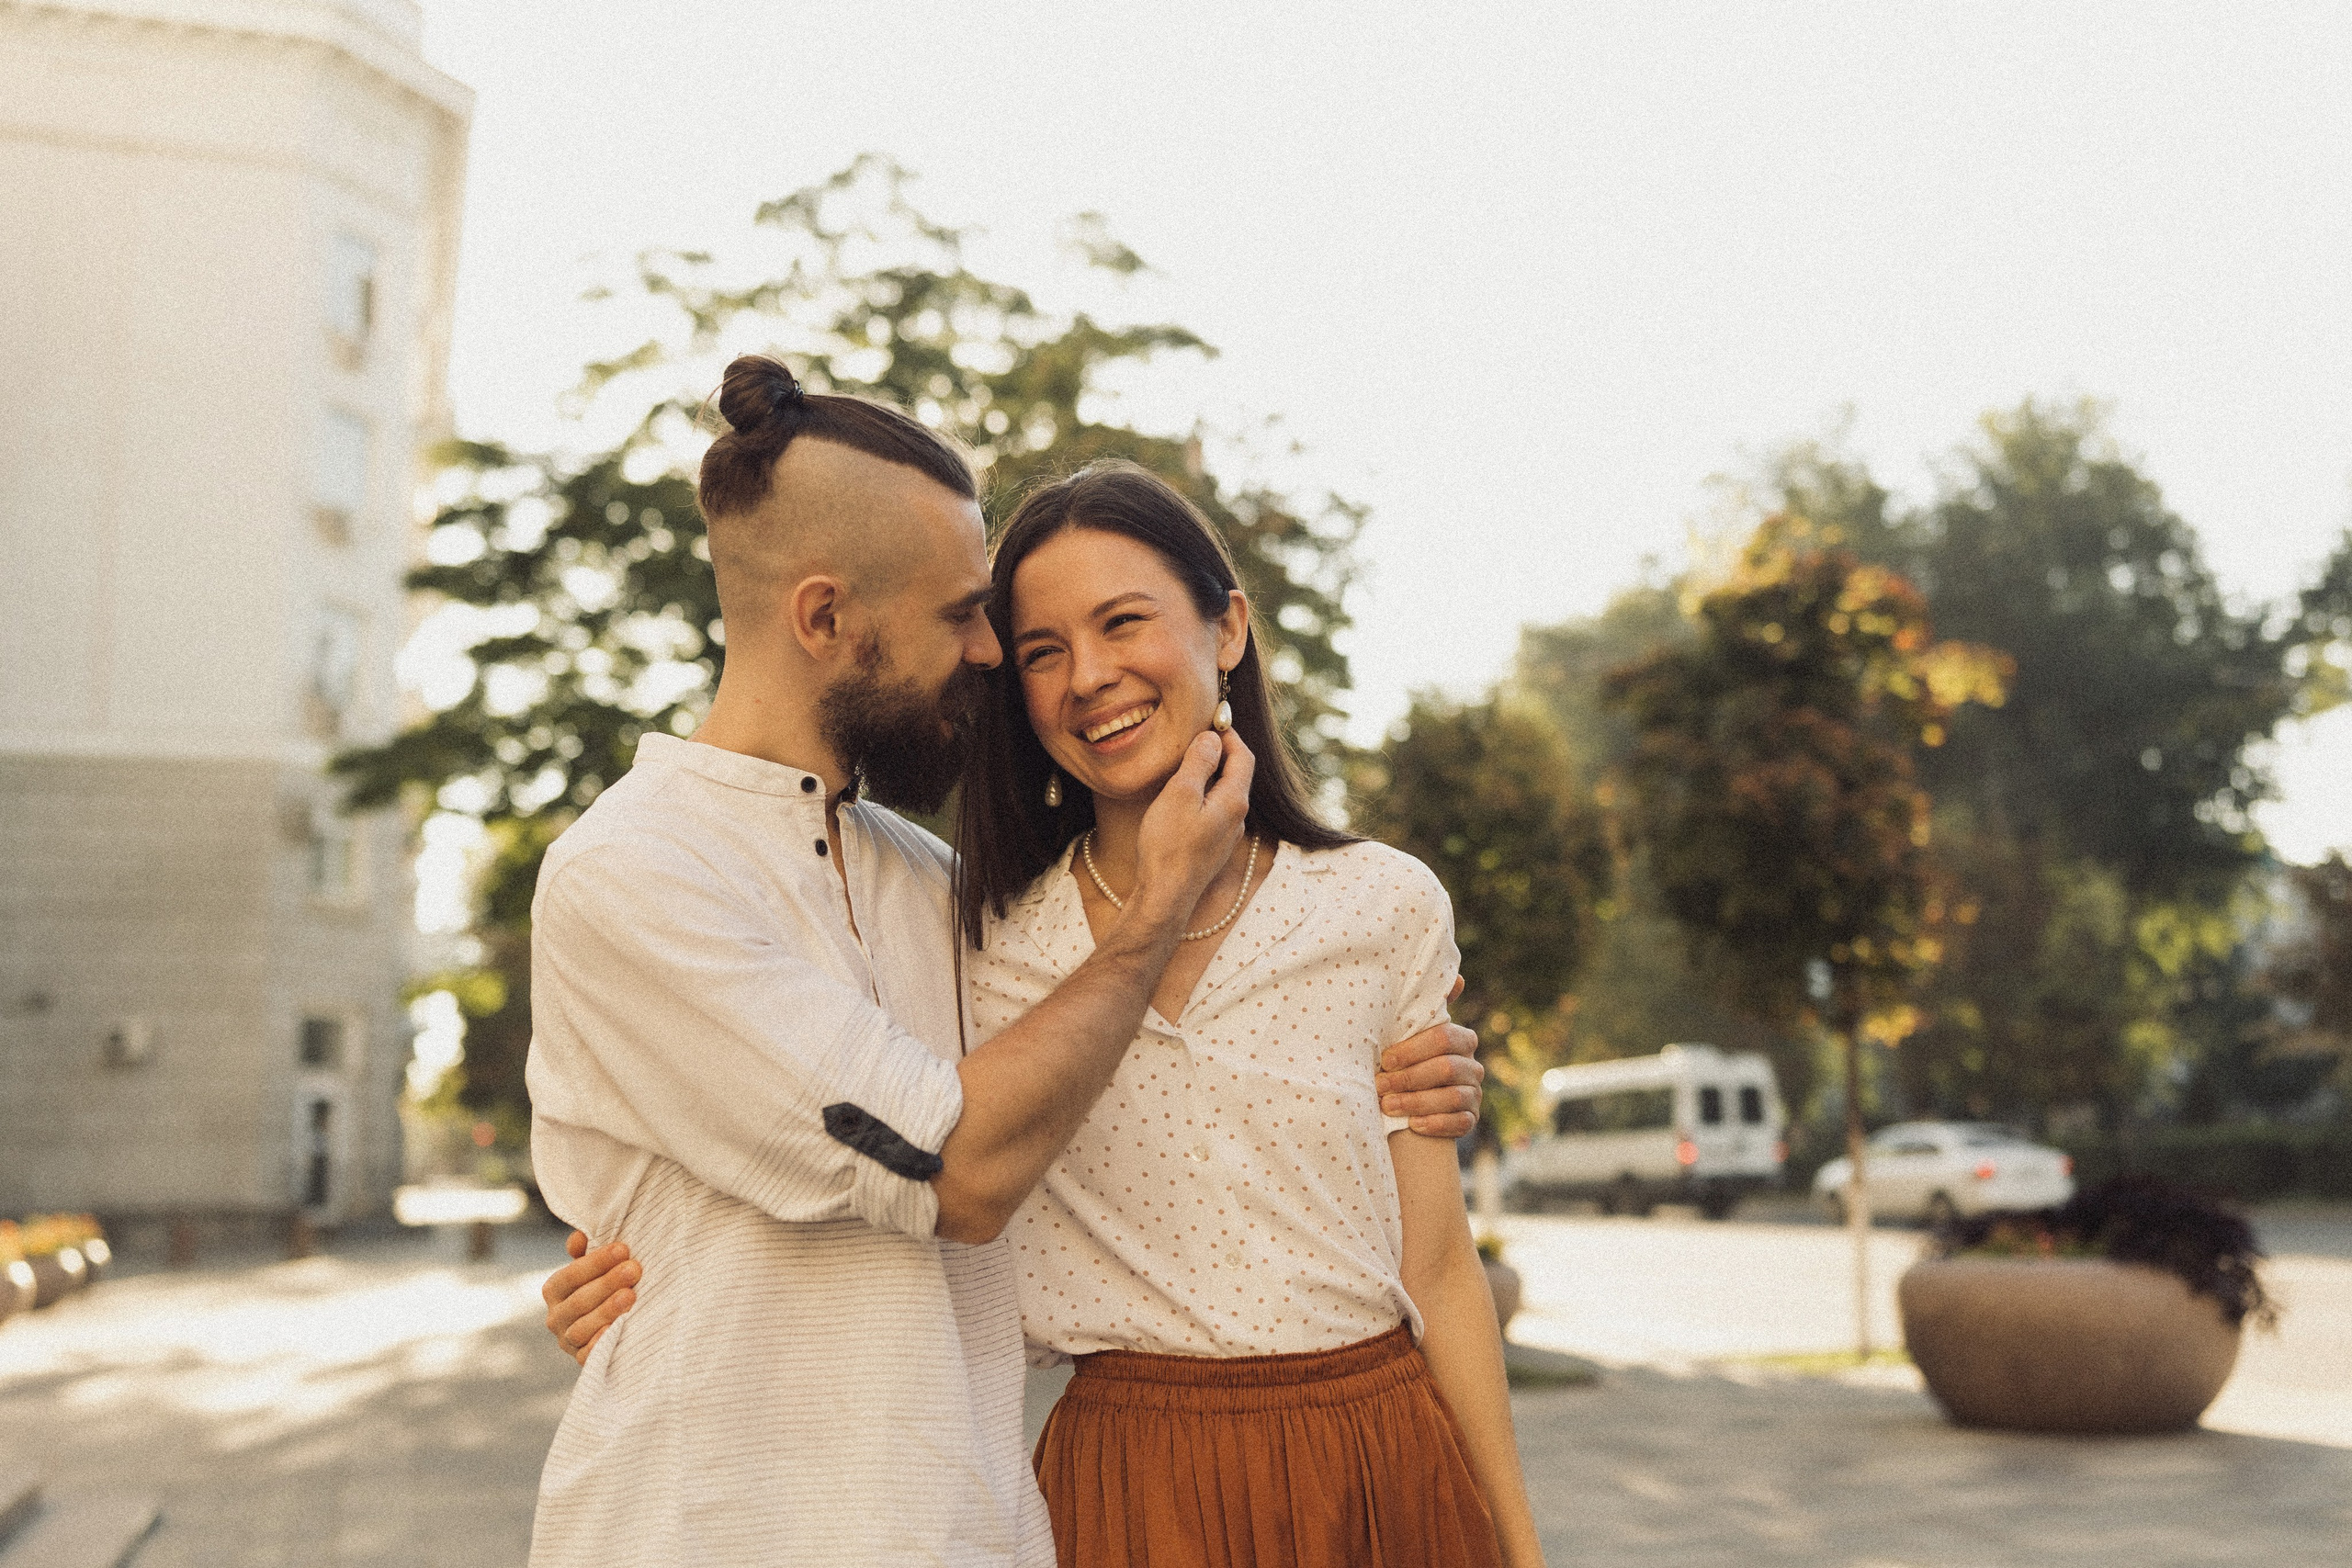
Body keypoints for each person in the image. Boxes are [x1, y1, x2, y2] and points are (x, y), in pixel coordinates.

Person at [525, 355, 1483, 1568]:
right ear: (823, 619)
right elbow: (961, 1168)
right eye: (962, 616)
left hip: (970, 1536)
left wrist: (1389, 1083)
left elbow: (1106, 1128)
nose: (989, 654)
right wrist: (1163, 899)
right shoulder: (635, 875)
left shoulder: (934, 888)